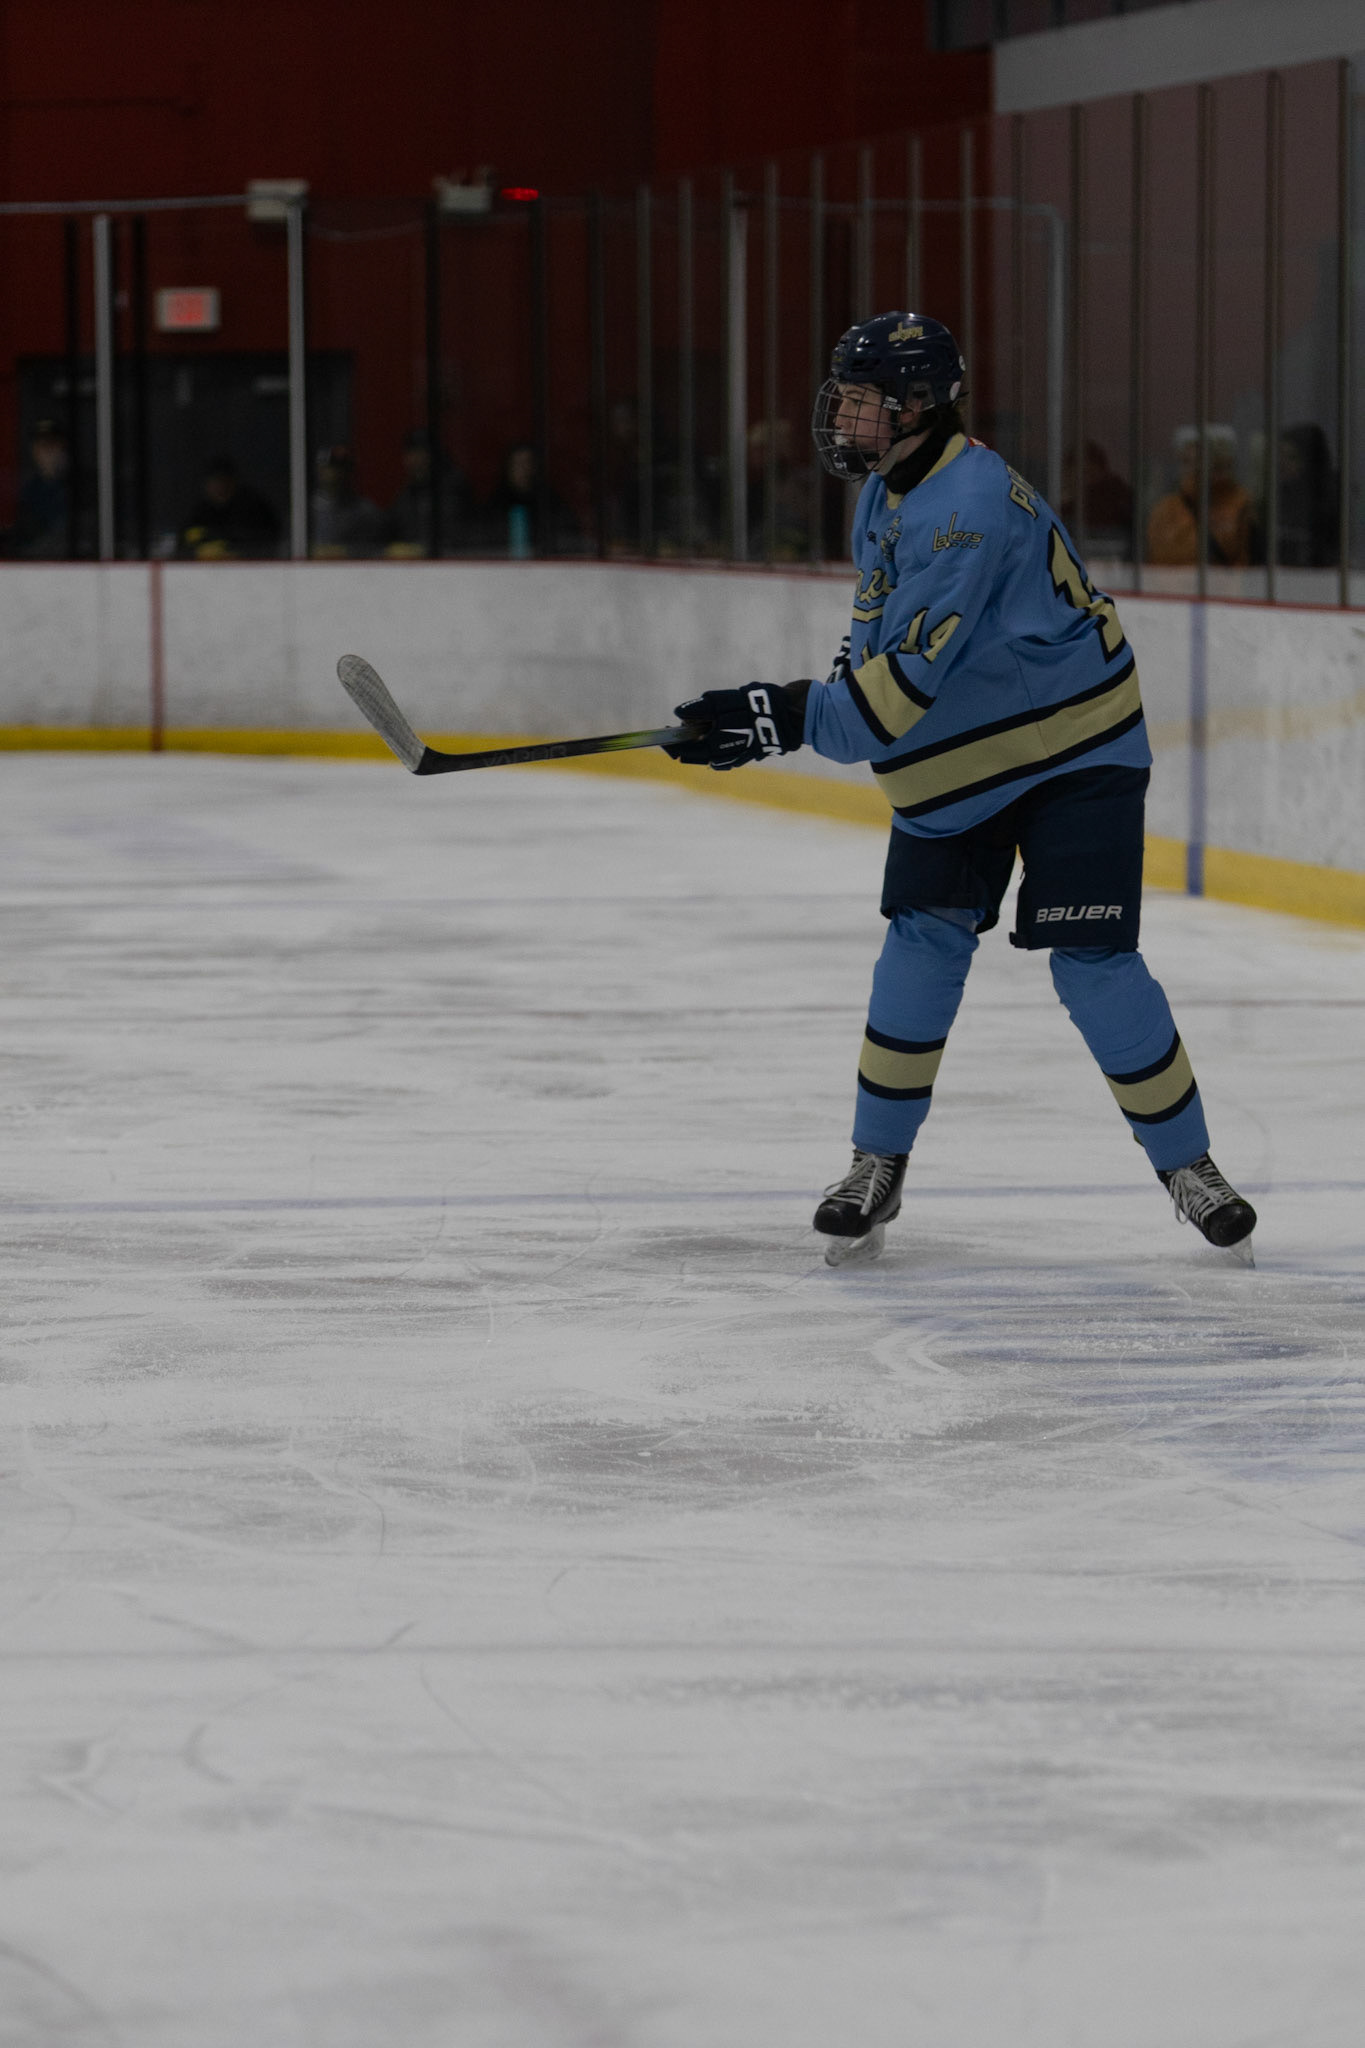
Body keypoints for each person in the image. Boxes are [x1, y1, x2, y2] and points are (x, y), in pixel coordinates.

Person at [666, 311, 1257, 1266]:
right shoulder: (886, 490)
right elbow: (873, 645)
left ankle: (1189, 1168)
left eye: (861, 401)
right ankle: (875, 1164)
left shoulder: (965, 510)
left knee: (1091, 959)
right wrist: (784, 712)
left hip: (1075, 747)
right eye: (843, 397)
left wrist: (784, 714)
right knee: (922, 937)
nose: (842, 417)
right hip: (961, 754)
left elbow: (884, 708)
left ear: (917, 407)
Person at [1145, 425, 1259, 568]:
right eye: (1187, 460)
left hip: (1224, 582)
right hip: (1170, 581)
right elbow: (1156, 558)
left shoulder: (1242, 504)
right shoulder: (1165, 509)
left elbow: (1250, 558)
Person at [385, 428, 472, 556]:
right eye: (411, 454)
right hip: (414, 565)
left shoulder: (454, 490)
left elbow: (460, 536)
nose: (415, 460)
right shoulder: (405, 497)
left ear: (433, 456)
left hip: (453, 562)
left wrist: (423, 549)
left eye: (421, 453)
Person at [178, 456, 280, 560]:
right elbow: (182, 546)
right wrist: (201, 549)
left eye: (223, 481)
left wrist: (229, 547)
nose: (219, 486)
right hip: (205, 568)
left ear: (233, 482)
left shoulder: (253, 508)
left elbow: (267, 541)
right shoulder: (199, 512)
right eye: (214, 481)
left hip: (248, 566)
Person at [1277, 422, 1337, 568]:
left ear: (1308, 462)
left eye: (1292, 457)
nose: (1282, 463)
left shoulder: (1327, 505)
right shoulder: (1277, 498)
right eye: (1280, 456)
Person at [311, 445, 388, 558]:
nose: (329, 472)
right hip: (312, 567)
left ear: (347, 471)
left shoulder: (365, 512)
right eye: (324, 466)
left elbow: (373, 552)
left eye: (336, 467)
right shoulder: (305, 510)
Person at [11, 418, 73, 557]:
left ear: (63, 448)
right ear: (34, 451)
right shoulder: (29, 492)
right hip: (36, 560)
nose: (48, 452)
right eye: (42, 446)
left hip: (71, 560)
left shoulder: (80, 488)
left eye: (52, 445)